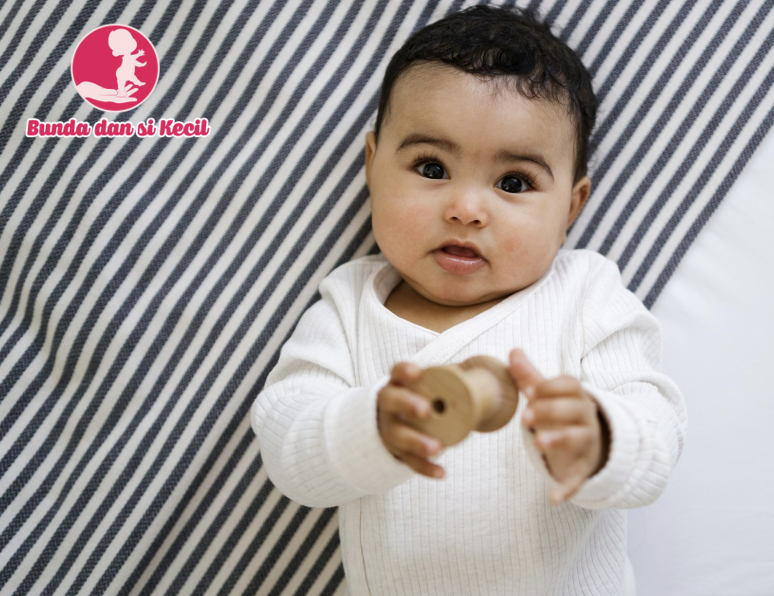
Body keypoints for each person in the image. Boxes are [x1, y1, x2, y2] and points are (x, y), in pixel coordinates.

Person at [251, 5, 687, 594]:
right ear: (373, 165)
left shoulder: (586, 294)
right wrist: (370, 428)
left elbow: (657, 432)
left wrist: (603, 438)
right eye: (431, 167)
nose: (465, 208)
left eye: (513, 183)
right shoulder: (349, 305)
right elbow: (288, 449)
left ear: (572, 208)